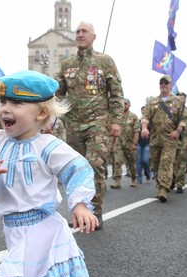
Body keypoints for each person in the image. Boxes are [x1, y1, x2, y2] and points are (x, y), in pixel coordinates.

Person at [0, 70, 100, 277]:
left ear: (41, 113)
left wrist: (79, 204)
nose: (5, 109)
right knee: (50, 276)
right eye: (3, 102)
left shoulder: (48, 146)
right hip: (13, 228)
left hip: (42, 225)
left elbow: (77, 169)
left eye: (17, 103)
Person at [55, 21, 124, 228]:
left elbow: (116, 93)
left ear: (94, 37)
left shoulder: (105, 61)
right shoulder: (66, 65)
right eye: (77, 31)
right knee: (76, 168)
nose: (80, 34)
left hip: (98, 124)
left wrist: (116, 121)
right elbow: (57, 95)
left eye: (84, 31)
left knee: (95, 166)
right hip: (73, 126)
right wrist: (50, 117)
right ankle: (79, 211)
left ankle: (95, 210)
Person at [141, 75, 187, 202]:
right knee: (156, 164)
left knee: (165, 163)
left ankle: (162, 189)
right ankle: (167, 180)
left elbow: (183, 119)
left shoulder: (178, 101)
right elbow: (145, 117)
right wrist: (144, 128)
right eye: (161, 83)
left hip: (170, 138)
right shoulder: (153, 102)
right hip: (155, 138)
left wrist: (177, 131)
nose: (163, 85)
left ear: (170, 85)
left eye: (166, 83)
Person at [111, 98, 139, 189]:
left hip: (130, 143)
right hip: (119, 143)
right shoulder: (118, 117)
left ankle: (134, 179)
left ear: (129, 105)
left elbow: (136, 131)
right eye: (123, 104)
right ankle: (117, 181)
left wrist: (134, 144)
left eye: (126, 104)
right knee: (117, 161)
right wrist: (112, 144)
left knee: (131, 162)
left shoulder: (134, 117)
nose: (124, 105)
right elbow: (115, 132)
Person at [171, 92, 187, 193]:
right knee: (171, 163)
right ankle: (171, 179)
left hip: (184, 142)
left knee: (182, 164)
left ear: (185, 100)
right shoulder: (171, 112)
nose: (180, 100)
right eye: (178, 98)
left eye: (182, 98)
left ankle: (180, 183)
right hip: (172, 141)